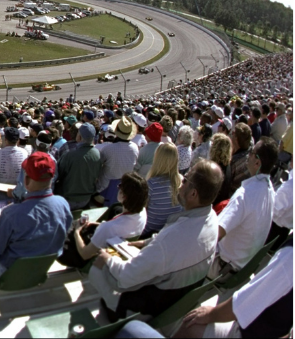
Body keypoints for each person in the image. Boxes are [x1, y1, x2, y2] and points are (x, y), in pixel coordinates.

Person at [89, 160, 223, 321]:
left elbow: (125, 277)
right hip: (175, 300)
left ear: (193, 194)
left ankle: (113, 318)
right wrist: (146, 242)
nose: (180, 183)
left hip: (148, 309)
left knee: (97, 266)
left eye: (185, 179)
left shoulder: (168, 241)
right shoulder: (213, 219)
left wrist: (108, 260)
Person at [0, 152, 72, 281]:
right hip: (43, 267)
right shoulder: (63, 204)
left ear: (27, 180)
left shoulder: (11, 214)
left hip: (11, 273)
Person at [176, 237, 292, 339]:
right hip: (271, 330)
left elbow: (245, 304)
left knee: (191, 324)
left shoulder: (291, 256)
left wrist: (210, 314)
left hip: (252, 332)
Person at [212, 137, 276, 277]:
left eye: (252, 152)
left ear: (257, 162)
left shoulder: (245, 195)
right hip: (243, 266)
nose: (248, 155)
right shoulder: (270, 190)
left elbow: (216, 233)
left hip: (222, 267)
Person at [66, 172, 148, 267]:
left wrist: (76, 232)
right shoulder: (143, 212)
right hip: (112, 248)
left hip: (88, 261)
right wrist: (97, 224)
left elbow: (85, 254)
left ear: (124, 196)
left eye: (120, 186)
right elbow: (116, 230)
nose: (118, 187)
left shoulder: (107, 228)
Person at [141, 143, 184, 238]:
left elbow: (142, 211)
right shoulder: (180, 182)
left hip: (149, 233)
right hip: (171, 232)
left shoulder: (151, 184)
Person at [55, 123, 101, 210]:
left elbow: (57, 175)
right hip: (86, 199)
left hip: (68, 199)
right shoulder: (98, 154)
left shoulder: (69, 155)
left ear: (79, 137)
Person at [95, 117, 139, 199]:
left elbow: (98, 166)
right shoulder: (135, 148)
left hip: (104, 189)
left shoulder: (108, 149)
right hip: (125, 188)